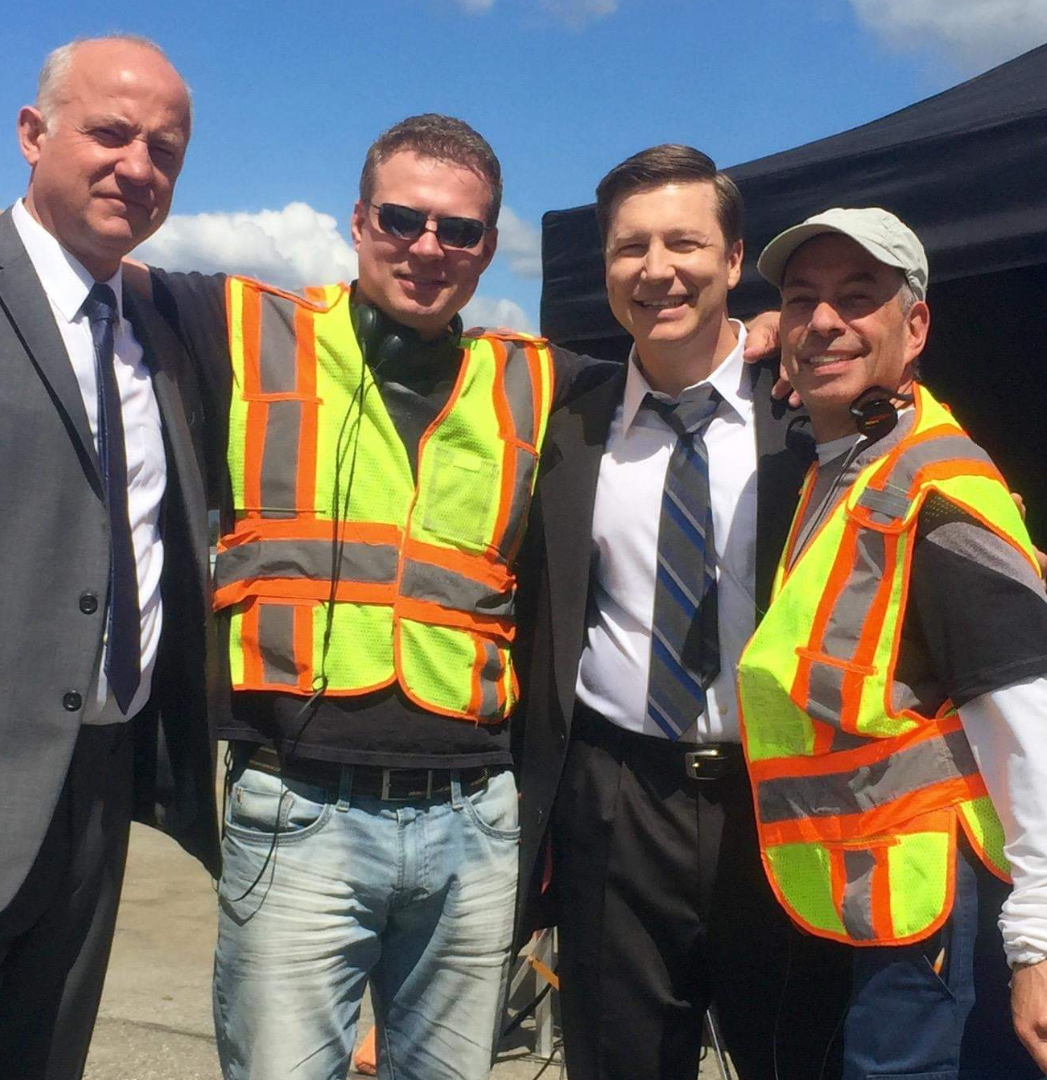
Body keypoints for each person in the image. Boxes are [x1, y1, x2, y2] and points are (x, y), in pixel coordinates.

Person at [139, 115, 609, 1080]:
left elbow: (677, 366)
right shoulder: (250, 326)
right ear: (359, 222)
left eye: (459, 230)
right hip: (300, 806)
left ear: (487, 247)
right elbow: (77, 264)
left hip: (475, 820)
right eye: (402, 219)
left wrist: (757, 332)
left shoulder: (536, 378)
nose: (428, 247)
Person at [513, 144, 850, 1080]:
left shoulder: (810, 413)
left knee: (795, 1062)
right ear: (605, 268)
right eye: (631, 248)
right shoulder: (564, 417)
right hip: (617, 804)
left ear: (734, 260)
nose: (656, 269)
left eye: (684, 243)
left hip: (781, 801)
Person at [738, 206, 1047, 1078]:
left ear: (915, 329)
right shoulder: (850, 467)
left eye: (856, 298)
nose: (823, 320)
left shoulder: (934, 487)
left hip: (940, 911)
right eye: (802, 300)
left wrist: (1038, 943)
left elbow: (1029, 719)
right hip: (876, 897)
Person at [0, 36, 220, 1080]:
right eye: (111, 133)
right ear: (33, 134)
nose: (137, 166)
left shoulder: (162, 325)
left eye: (165, 150)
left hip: (103, 789)